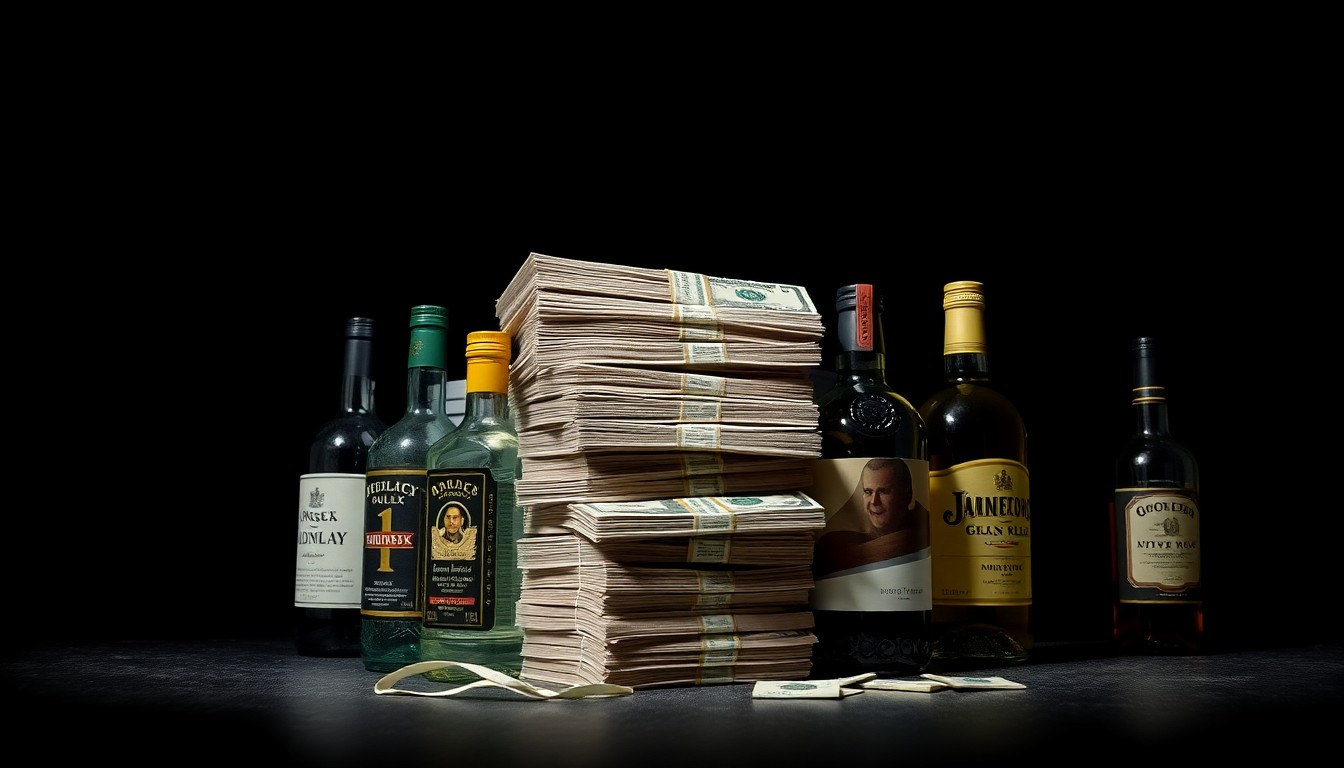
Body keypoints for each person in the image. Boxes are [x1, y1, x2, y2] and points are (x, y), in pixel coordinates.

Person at [814, 458, 928, 577]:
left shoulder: (923, 533)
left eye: (883, 492)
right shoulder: (834, 542)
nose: (874, 501)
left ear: (906, 494)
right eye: (868, 492)